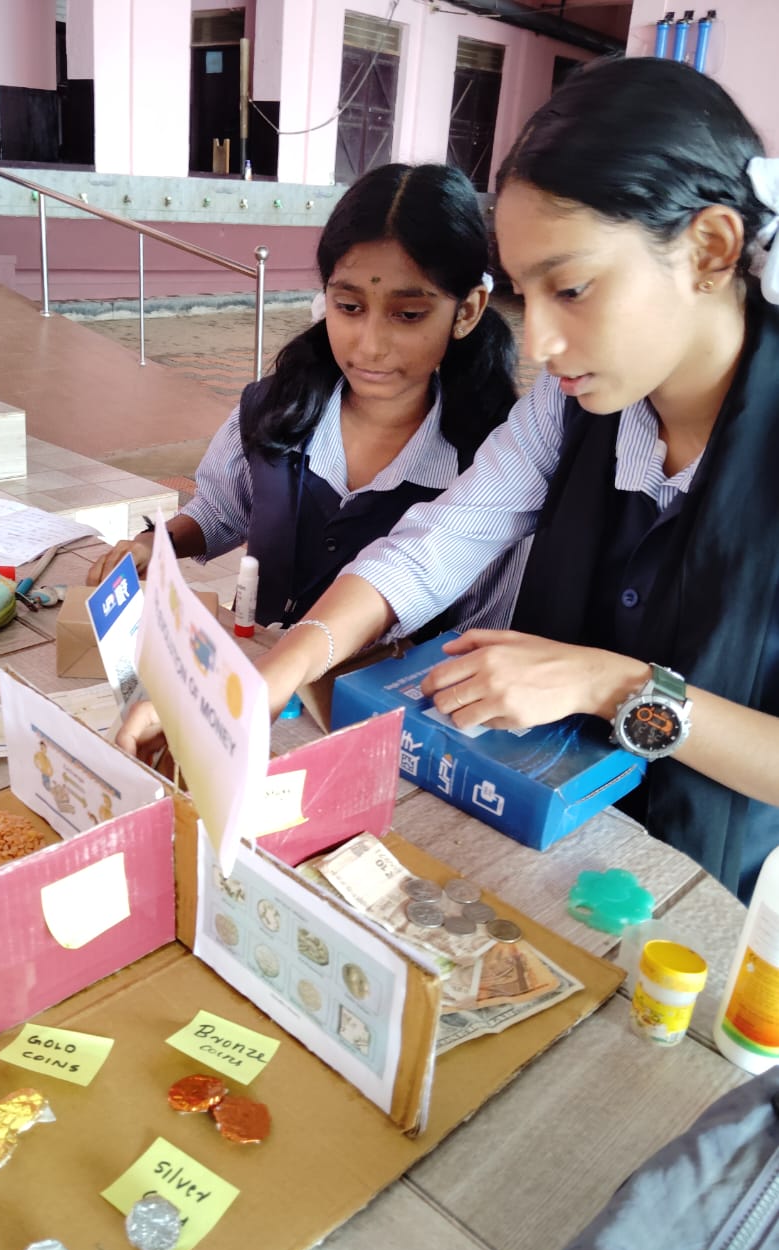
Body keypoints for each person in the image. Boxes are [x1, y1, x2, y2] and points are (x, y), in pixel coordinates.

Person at [118, 56, 779, 904]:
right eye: (526, 294)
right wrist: (251, 687)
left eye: (572, 289)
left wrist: (613, 684)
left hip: (713, 902)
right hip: (548, 844)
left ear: (710, 249)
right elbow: (432, 546)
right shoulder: (570, 409)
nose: (536, 342)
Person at [88, 161, 520, 636]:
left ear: (467, 311)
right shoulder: (277, 410)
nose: (370, 345)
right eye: (349, 307)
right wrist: (156, 544)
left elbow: (480, 630)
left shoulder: (491, 470)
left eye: (409, 314)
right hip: (255, 672)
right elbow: (221, 510)